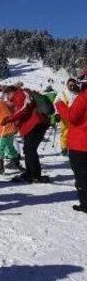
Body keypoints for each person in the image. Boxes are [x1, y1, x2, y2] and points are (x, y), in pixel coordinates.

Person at [2, 86, 50, 183]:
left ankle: (32, 174)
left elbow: (24, 109)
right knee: (29, 150)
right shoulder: (20, 95)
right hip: (35, 125)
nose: (7, 97)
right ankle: (33, 173)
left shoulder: (19, 95)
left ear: (11, 92)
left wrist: (10, 119)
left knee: (29, 150)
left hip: (35, 125)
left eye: (7, 94)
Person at [55, 80, 87, 212]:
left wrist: (60, 105)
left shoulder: (83, 97)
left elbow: (72, 117)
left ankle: (85, 203)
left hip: (81, 142)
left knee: (82, 175)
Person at [55, 78, 80, 156]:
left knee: (76, 132)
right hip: (64, 116)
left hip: (75, 116)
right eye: (70, 85)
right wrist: (57, 113)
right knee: (65, 132)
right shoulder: (62, 93)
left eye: (73, 85)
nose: (72, 87)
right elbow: (56, 103)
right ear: (67, 85)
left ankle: (74, 147)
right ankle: (64, 147)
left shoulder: (78, 94)